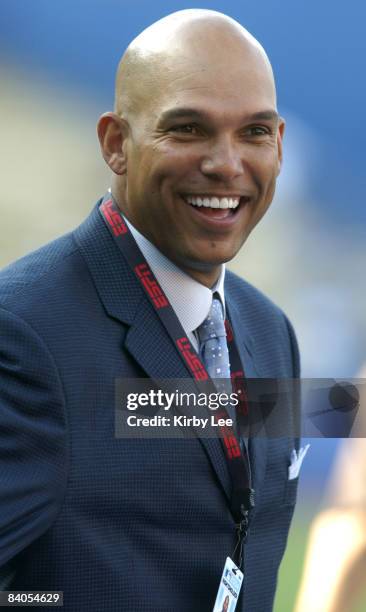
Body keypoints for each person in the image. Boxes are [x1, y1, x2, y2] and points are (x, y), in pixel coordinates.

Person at [0, 9, 301, 612]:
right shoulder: (22, 334)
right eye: (188, 129)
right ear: (116, 143)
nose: (226, 163)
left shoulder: (271, 333)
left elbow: (163, 429)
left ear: (279, 143)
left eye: (254, 132)